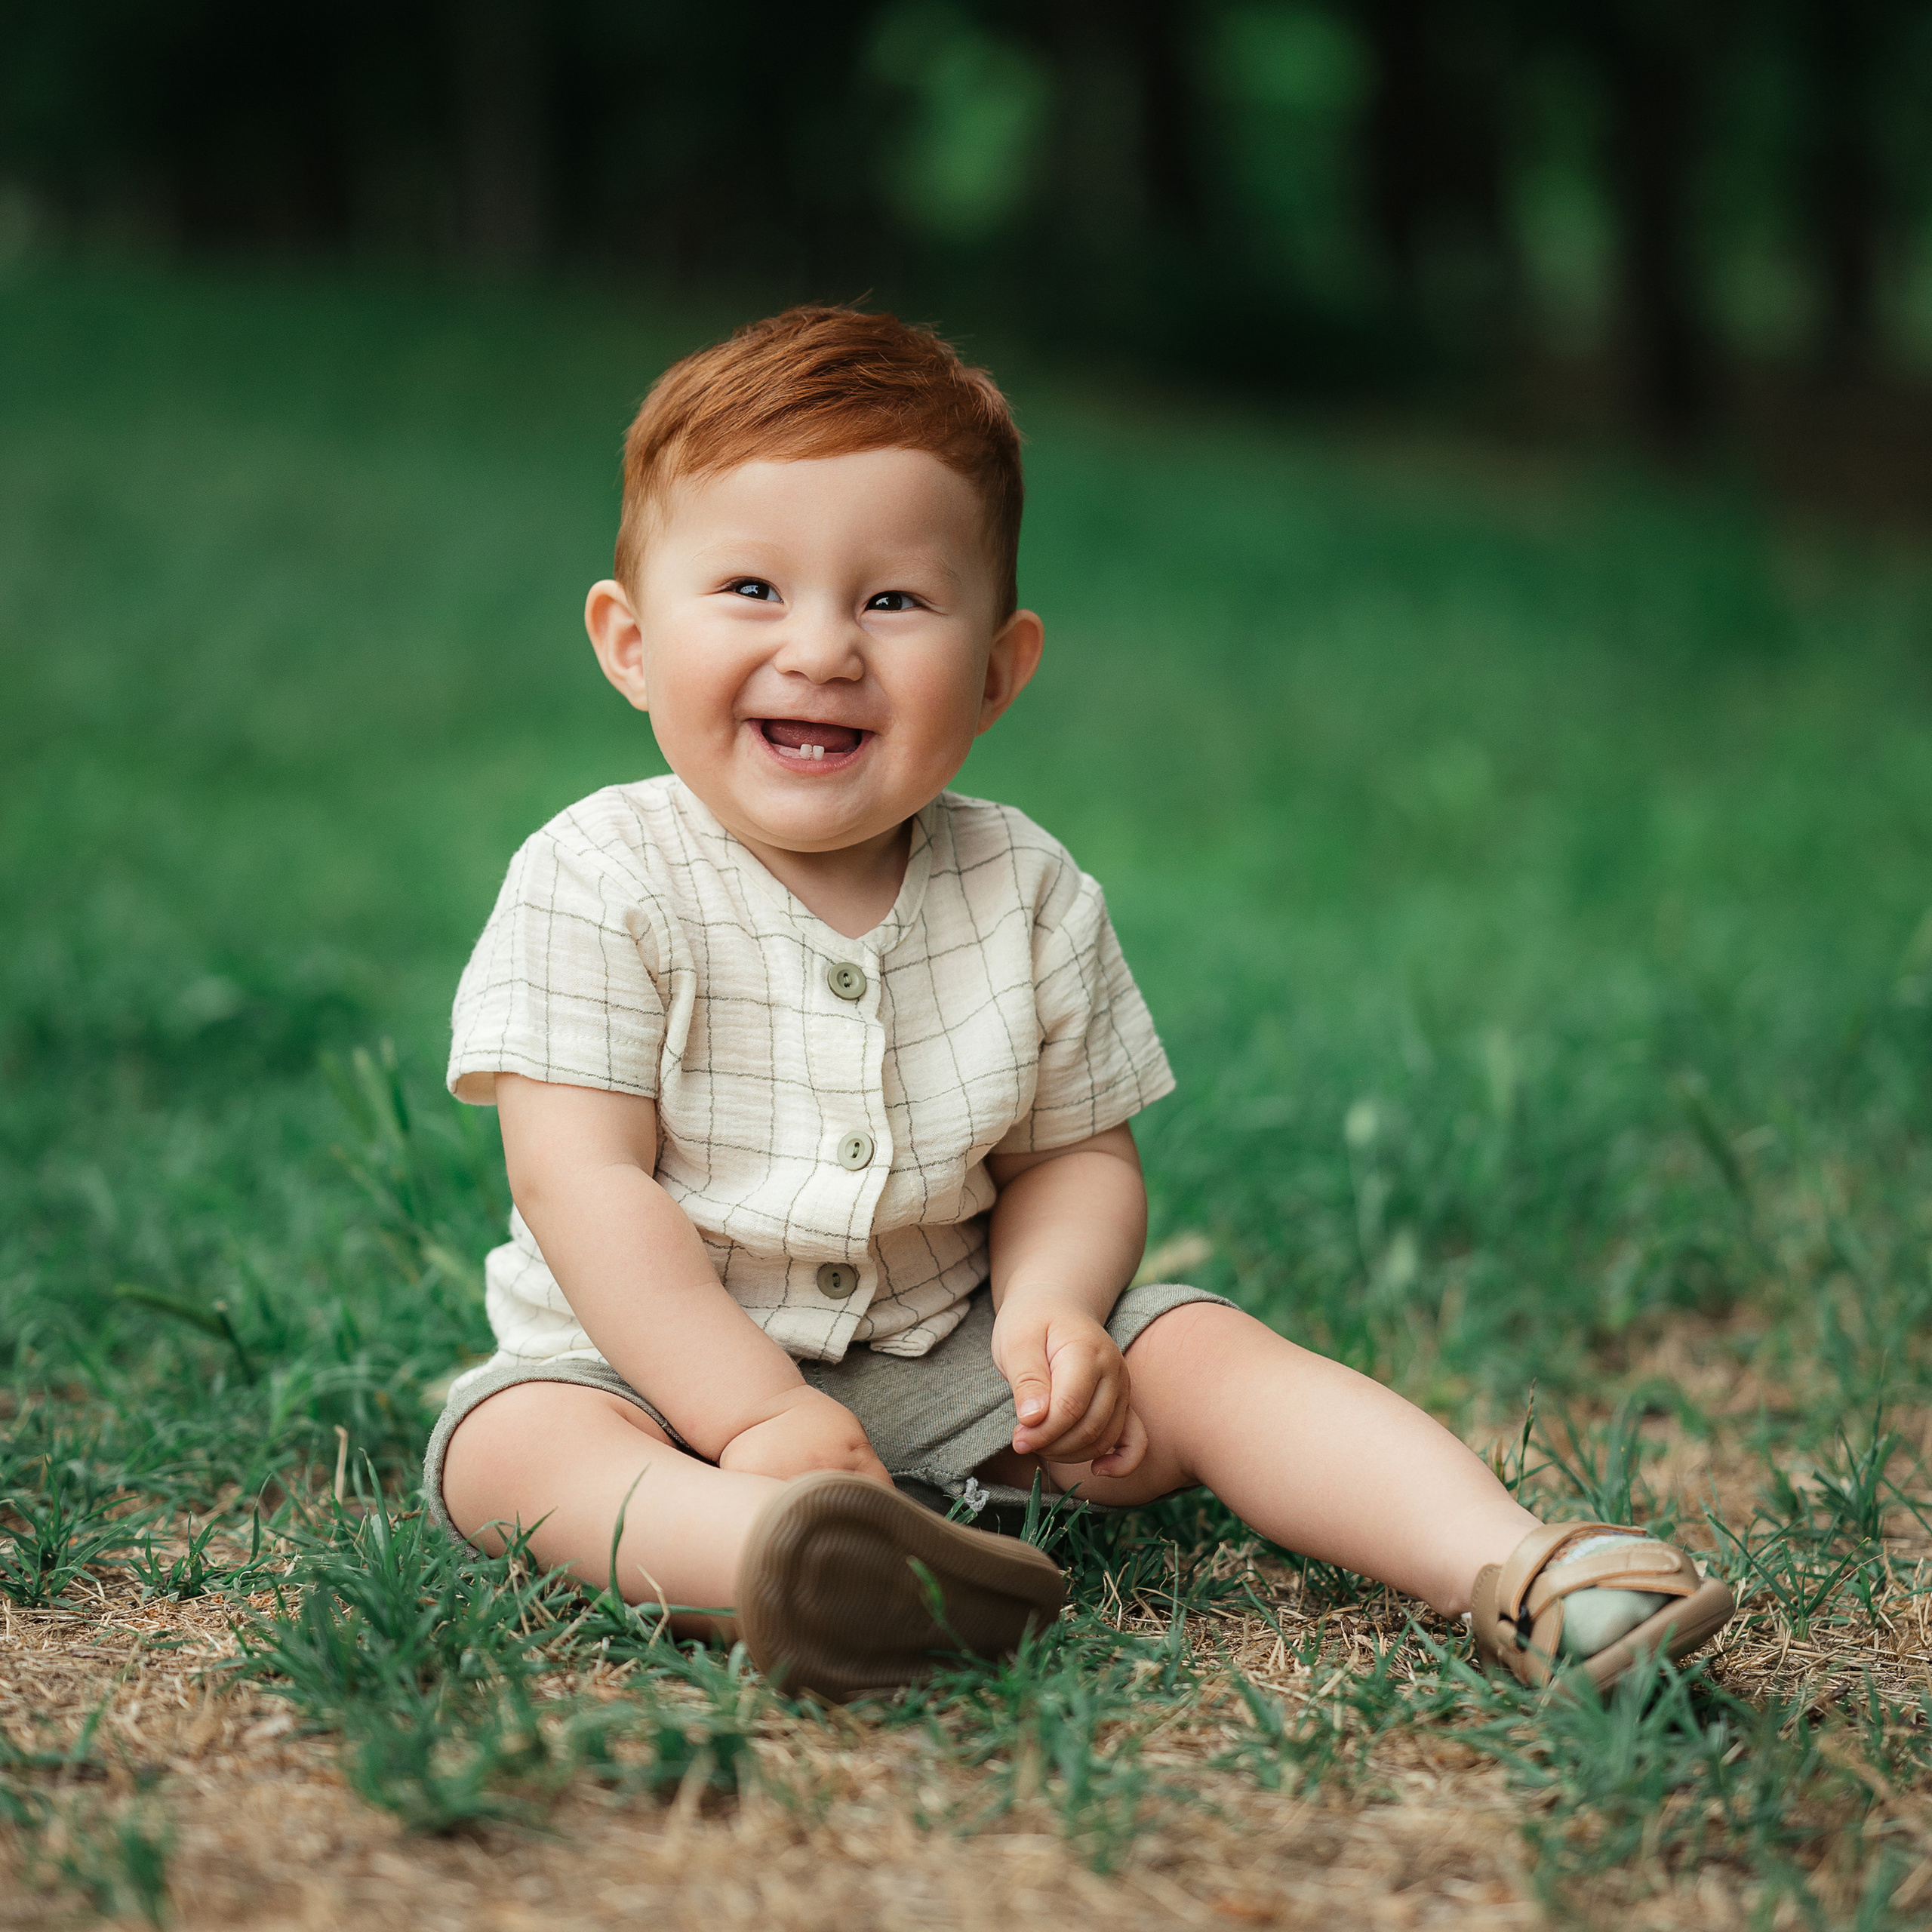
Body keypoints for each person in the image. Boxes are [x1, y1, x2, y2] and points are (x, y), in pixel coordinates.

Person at [424, 306, 1733, 1701]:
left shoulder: (1026, 887)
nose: (821, 648)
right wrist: (749, 1416)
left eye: (892, 601)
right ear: (628, 643)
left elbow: (1075, 1153)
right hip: (643, 1373)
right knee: (512, 1453)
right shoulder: (597, 876)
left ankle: (1525, 1569)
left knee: (1204, 1348)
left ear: (996, 672)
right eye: (751, 588)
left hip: (951, 1365)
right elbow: (581, 1184)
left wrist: (1053, 1310)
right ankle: (792, 1559)